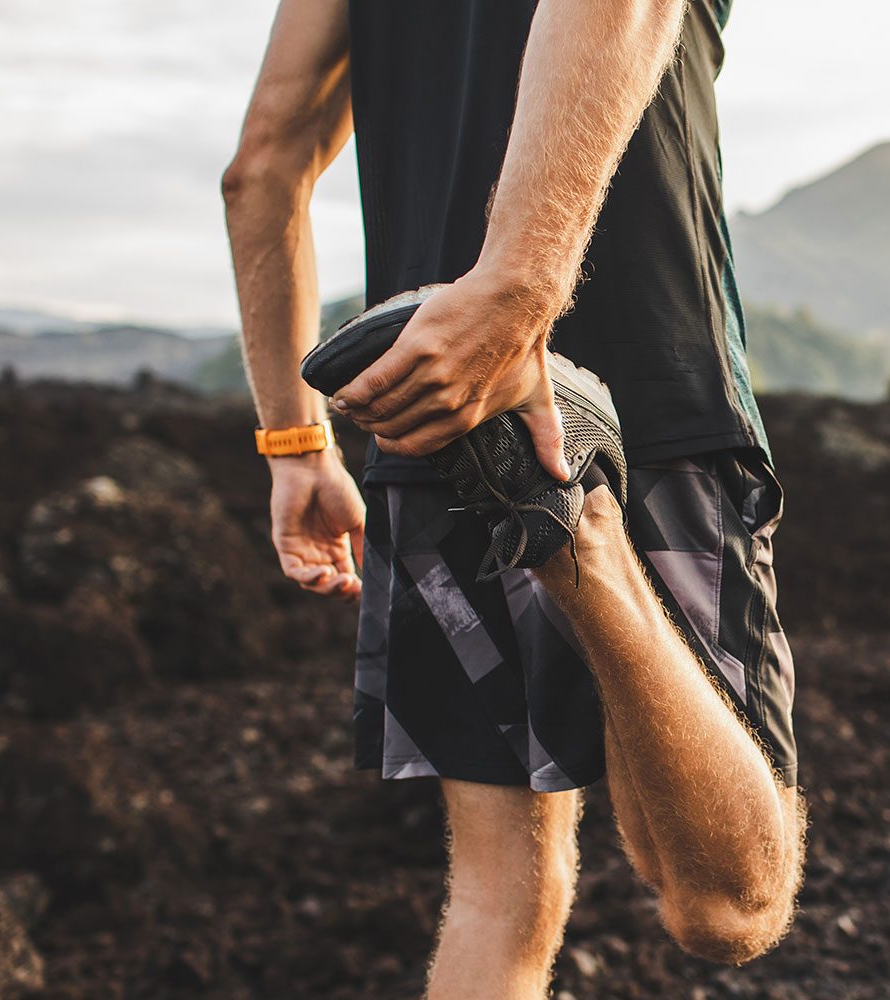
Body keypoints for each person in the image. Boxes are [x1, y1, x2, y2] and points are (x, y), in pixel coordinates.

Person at [221, 2, 805, 996]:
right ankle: (584, 536)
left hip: (427, 402)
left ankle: (558, 510)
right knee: (726, 905)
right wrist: (516, 297)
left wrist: (294, 445)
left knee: (501, 899)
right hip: (644, 386)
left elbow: (263, 165)